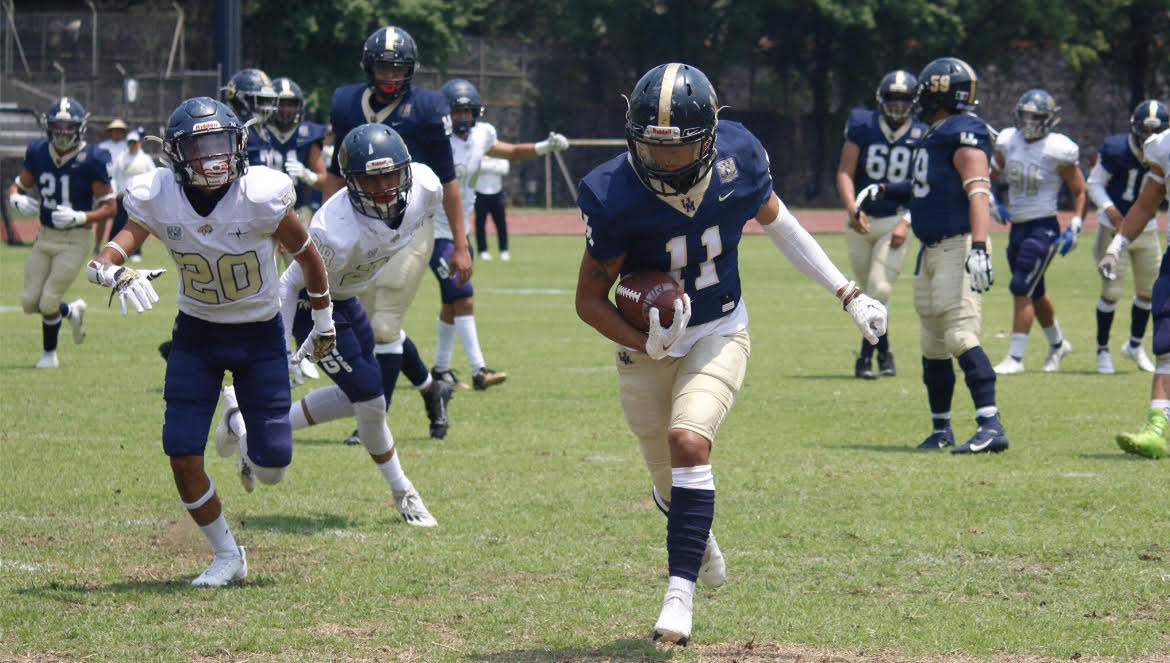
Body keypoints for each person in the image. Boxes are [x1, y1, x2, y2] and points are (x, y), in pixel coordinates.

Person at [575, 63, 887, 645]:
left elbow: (782, 226)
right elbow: (589, 300)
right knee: (669, 481)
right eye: (652, 146)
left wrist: (848, 293)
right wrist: (644, 339)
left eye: (680, 148)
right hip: (646, 347)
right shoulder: (612, 192)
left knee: (688, 439)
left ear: (711, 136)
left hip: (720, 327)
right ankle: (699, 537)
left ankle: (678, 596)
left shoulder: (738, 156)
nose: (665, 161)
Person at [85, 96, 335, 585]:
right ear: (175, 155)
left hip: (260, 337)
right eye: (199, 147)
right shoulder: (159, 195)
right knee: (180, 453)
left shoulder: (260, 195)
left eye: (220, 143)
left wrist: (323, 322)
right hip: (196, 335)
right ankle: (227, 555)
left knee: (273, 466)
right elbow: (104, 258)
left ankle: (239, 428)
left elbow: (309, 258)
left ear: (239, 143)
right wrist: (115, 276)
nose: (212, 157)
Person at [214, 123, 437, 526]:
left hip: (350, 298)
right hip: (313, 304)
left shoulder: (425, 186)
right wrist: (280, 349)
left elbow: (428, 214)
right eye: (373, 179)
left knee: (356, 395)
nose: (386, 187)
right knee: (371, 399)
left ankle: (240, 419)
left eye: (391, 174)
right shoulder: (335, 231)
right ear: (352, 184)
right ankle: (403, 491)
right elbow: (290, 282)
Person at [856, 56, 1008, 454]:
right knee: (932, 342)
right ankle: (942, 429)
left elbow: (978, 190)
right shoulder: (938, 131)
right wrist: (886, 190)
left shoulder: (963, 131)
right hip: (933, 249)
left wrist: (979, 246)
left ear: (938, 90)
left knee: (960, 333)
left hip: (959, 245)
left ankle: (990, 424)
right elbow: (926, 184)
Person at [326, 25, 463, 442]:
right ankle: (431, 388)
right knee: (369, 324)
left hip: (410, 226)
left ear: (411, 70)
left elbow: (449, 179)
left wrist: (462, 243)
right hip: (359, 227)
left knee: (383, 324)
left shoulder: (427, 107)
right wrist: (320, 228)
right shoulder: (346, 102)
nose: (389, 74)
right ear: (368, 67)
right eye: (382, 65)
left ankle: (372, 420)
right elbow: (335, 171)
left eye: (397, 67)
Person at [429, 78, 570, 390]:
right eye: (457, 111)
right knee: (463, 292)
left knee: (452, 301)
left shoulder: (482, 135)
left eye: (468, 111)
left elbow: (513, 152)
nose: (463, 118)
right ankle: (479, 369)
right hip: (431, 231)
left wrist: (543, 147)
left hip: (458, 229)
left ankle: (440, 370)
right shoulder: (433, 137)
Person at [6, 96, 116, 368]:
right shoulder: (39, 151)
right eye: (58, 126)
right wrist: (15, 198)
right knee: (29, 302)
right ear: (48, 127)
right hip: (45, 236)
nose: (63, 133)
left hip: (75, 239)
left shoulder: (92, 158)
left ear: (80, 127)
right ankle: (72, 311)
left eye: (69, 127)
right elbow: (18, 186)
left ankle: (48, 356)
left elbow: (110, 207)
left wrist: (82, 216)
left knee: (48, 300)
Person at [835, 69, 926, 379]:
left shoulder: (923, 133)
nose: (898, 105)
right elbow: (845, 172)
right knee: (870, 296)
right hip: (860, 222)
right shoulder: (863, 124)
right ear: (881, 100)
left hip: (895, 220)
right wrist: (851, 207)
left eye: (904, 99)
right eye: (893, 98)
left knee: (880, 288)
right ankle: (885, 352)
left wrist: (909, 220)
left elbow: (926, 183)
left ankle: (865, 358)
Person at [990, 89, 1086, 375]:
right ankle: (1058, 344)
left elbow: (1080, 190)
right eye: (1026, 115)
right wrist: (993, 202)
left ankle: (1015, 358)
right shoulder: (1008, 140)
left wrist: (1076, 225)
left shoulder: (1058, 148)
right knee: (1035, 291)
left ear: (1049, 119)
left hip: (1043, 227)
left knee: (1021, 287)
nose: (1030, 121)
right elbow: (986, 174)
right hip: (1017, 227)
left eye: (1037, 116)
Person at [1099, 109, 1170, 458]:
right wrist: (1117, 245)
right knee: (1167, 339)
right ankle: (1158, 425)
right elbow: (1146, 203)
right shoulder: (1164, 147)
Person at [1086, 100, 1168, 374]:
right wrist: (1109, 208)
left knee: (1148, 292)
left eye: (1155, 130)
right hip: (1114, 227)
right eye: (1144, 129)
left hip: (1147, 232)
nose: (1148, 136)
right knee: (1111, 292)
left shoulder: (1163, 150)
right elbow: (1094, 183)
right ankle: (1102, 350)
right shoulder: (1116, 149)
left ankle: (1134, 345)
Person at [107, 129, 157, 262]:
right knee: (118, 224)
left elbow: (153, 176)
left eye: (134, 142)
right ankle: (109, 249)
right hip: (122, 197)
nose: (132, 145)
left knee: (138, 226)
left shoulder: (145, 159)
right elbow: (113, 176)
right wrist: (116, 191)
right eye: (130, 143)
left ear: (139, 143)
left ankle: (136, 252)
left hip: (139, 199)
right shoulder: (121, 159)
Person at [474, 154, 510, 260]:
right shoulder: (478, 152)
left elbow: (505, 169)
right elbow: (476, 167)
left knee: (501, 224)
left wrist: (485, 167)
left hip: (496, 192)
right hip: (480, 192)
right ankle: (482, 251)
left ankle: (504, 250)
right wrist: (494, 166)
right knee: (480, 224)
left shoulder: (499, 152)